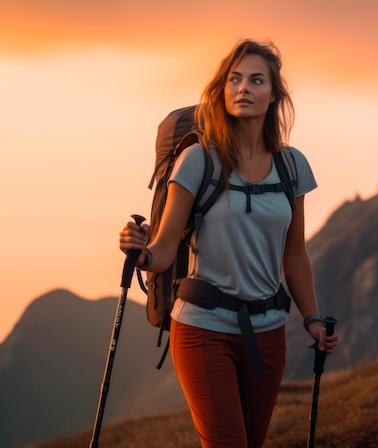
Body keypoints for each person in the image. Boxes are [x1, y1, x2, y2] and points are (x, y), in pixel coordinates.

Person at [119, 39, 338, 447]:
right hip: (203, 328)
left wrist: (311, 318)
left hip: (269, 331)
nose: (244, 88)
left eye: (256, 80)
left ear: (273, 94)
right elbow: (165, 248)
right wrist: (142, 254)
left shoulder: (292, 166)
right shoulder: (199, 161)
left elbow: (294, 254)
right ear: (221, 91)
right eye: (234, 79)